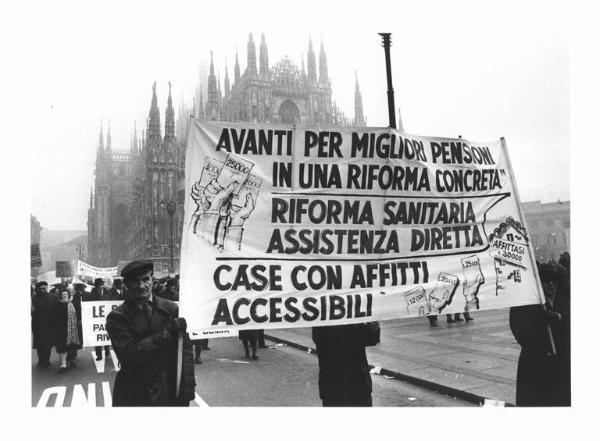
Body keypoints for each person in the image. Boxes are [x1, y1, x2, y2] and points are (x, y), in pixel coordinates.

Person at [106, 260, 195, 406]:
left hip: (168, 388)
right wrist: (165, 334)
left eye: (145, 279)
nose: (141, 286)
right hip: (134, 391)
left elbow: (184, 351)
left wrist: (188, 388)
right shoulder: (117, 317)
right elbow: (130, 355)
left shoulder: (171, 308)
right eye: (135, 281)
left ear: (152, 279)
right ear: (126, 285)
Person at [509, 262, 568, 406]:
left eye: (554, 281)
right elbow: (519, 330)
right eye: (546, 280)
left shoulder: (565, 303)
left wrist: (558, 321)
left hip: (560, 367)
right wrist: (540, 318)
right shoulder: (525, 303)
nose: (551, 284)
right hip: (535, 366)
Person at [312, 322, 380, 407]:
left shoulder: (321, 322)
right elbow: (372, 337)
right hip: (356, 385)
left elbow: (373, 338)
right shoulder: (354, 323)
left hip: (333, 386)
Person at [53, 289, 82, 373]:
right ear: (61, 295)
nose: (65, 295)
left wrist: (79, 321)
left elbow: (79, 312)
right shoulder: (58, 304)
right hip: (61, 329)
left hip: (73, 328)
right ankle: (63, 364)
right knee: (63, 347)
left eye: (66, 294)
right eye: (63, 294)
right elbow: (54, 316)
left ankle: (72, 360)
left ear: (69, 295)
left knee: (72, 346)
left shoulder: (74, 302)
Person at [84, 278, 112, 360]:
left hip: (106, 318)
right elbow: (88, 305)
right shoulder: (91, 295)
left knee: (106, 335)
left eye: (102, 285)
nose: (101, 287)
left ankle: (107, 351)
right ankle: (99, 354)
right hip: (96, 319)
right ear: (96, 286)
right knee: (97, 337)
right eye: (99, 285)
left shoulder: (108, 293)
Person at [32, 281, 57, 368]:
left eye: (44, 288)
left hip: (49, 325)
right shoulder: (34, 298)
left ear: (47, 288)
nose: (42, 290)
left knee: (47, 344)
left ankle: (46, 360)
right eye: (41, 289)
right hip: (38, 325)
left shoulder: (52, 297)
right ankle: (41, 360)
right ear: (38, 289)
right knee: (39, 345)